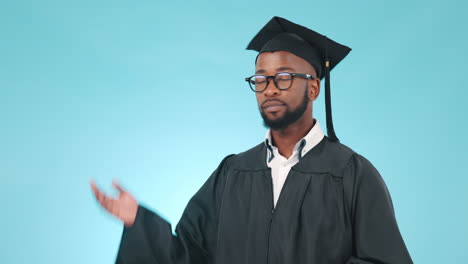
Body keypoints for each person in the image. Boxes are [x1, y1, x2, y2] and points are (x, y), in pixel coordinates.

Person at [91, 16, 413, 264]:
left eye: (284, 77)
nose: (269, 88)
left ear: (313, 87)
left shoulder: (351, 174)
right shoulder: (232, 173)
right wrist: (140, 223)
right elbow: (189, 255)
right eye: (260, 79)